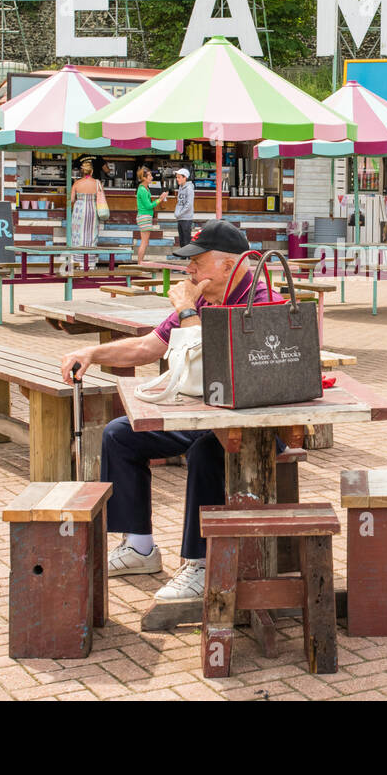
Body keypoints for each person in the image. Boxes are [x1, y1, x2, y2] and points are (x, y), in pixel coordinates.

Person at [59, 220, 282, 603]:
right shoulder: (202, 298)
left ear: (229, 266)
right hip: (202, 413)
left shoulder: (262, 301)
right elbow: (149, 346)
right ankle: (140, 547)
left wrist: (185, 313)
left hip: (255, 424)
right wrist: (92, 354)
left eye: (197, 263)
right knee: (119, 435)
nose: (188, 272)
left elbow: (221, 364)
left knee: (208, 450)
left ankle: (199, 562)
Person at [135, 166, 169, 263]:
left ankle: (140, 263)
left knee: (145, 241)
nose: (151, 177)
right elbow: (149, 205)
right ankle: (140, 263)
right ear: (144, 178)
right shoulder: (142, 189)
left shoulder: (145, 188)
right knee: (144, 242)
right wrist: (160, 199)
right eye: (149, 176)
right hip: (144, 216)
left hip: (145, 216)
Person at [70, 157, 102, 251]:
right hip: (92, 209)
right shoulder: (97, 183)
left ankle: (77, 260)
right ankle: (90, 261)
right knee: (92, 233)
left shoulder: (77, 183)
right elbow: (101, 199)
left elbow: (71, 200)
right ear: (91, 171)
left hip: (79, 211)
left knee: (78, 233)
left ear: (82, 171)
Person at [174, 168, 195, 247]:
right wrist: (177, 213)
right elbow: (179, 202)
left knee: (186, 240)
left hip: (186, 218)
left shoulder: (189, 188)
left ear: (185, 177)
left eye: (179, 177)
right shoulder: (180, 188)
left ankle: (188, 258)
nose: (177, 179)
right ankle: (183, 257)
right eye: (177, 177)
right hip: (180, 217)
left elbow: (189, 204)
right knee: (181, 239)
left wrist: (179, 213)